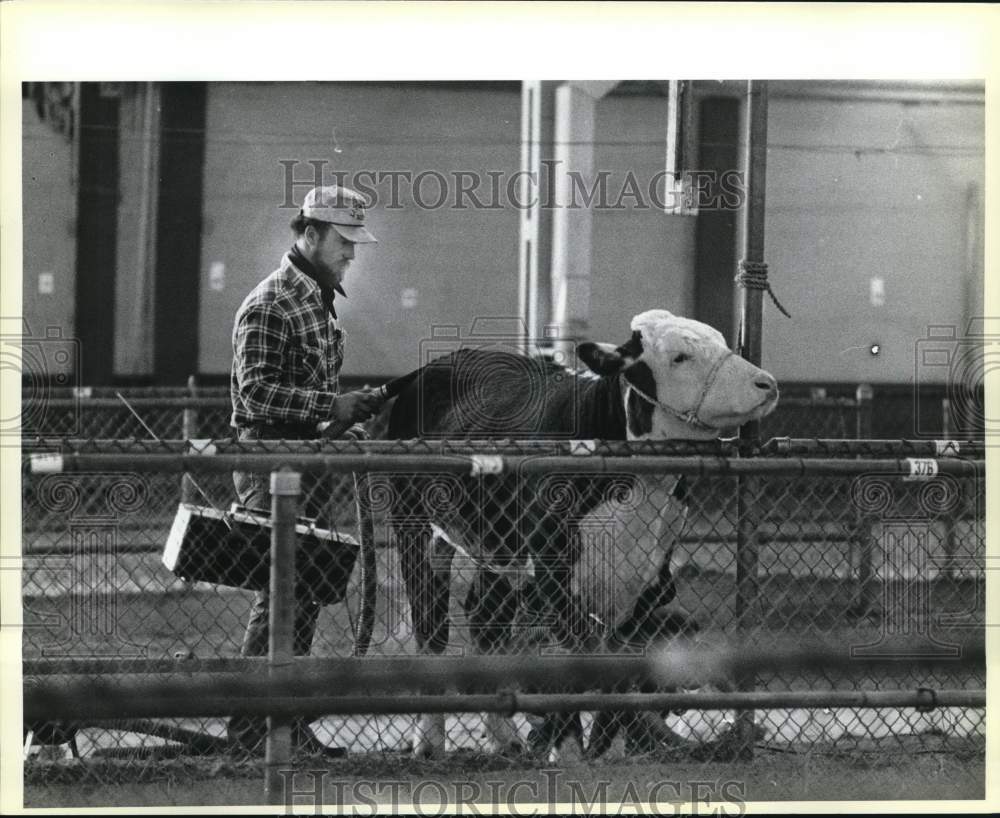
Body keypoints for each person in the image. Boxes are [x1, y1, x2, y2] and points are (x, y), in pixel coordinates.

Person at [228, 184, 385, 757]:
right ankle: (255, 730)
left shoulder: (315, 301)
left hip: (302, 460)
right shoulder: (270, 303)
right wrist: (331, 408)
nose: (352, 253)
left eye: (355, 243)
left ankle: (277, 725)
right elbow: (256, 395)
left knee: (300, 593)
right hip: (272, 462)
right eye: (343, 241)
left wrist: (345, 417)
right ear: (309, 234)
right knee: (284, 592)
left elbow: (300, 390)